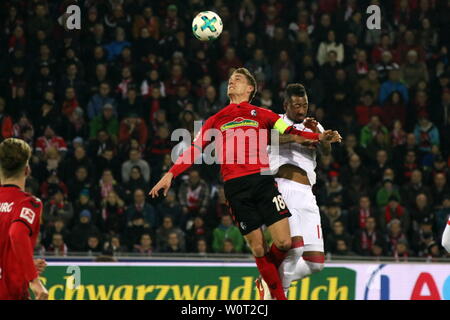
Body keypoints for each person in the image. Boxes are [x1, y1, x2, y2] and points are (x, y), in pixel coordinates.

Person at [149, 67, 340, 300]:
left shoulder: (262, 114)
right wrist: (171, 173)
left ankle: (269, 284)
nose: (232, 82)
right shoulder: (216, 119)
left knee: (284, 242)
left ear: (250, 89)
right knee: (259, 249)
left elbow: (289, 131)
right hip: (234, 188)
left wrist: (318, 136)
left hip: (262, 182)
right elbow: (195, 149)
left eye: (237, 80)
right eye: (230, 80)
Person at [262, 83, 341, 299]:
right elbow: (271, 138)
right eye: (296, 105)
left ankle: (268, 282)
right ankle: (280, 294)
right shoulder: (275, 120)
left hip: (307, 193)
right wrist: (304, 138)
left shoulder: (314, 125)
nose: (301, 110)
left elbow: (326, 152)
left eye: (304, 105)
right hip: (281, 188)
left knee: (315, 263)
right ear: (286, 104)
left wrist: (320, 136)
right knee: (293, 248)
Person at [0, 138, 48, 300]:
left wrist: (20, 264)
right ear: (27, 170)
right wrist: (34, 280)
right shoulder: (28, 204)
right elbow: (17, 234)